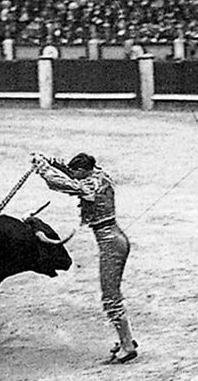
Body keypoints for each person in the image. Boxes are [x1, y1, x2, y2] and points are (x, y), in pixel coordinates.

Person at [34, 152, 138, 364]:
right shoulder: (98, 174)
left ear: (84, 171)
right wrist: (54, 163)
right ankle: (126, 339)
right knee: (112, 294)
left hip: (111, 244)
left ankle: (127, 346)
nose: (75, 175)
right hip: (115, 238)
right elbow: (72, 178)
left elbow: (64, 185)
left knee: (110, 296)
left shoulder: (89, 186)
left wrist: (43, 169)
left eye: (77, 172)